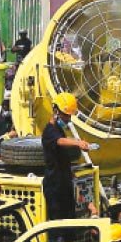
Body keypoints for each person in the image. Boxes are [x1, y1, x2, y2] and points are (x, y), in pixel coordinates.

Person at [42, 92, 90, 222]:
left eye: (69, 116)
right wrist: (78, 142)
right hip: (54, 186)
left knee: (69, 222)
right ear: (56, 110)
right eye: (65, 115)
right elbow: (59, 141)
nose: (68, 119)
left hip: (64, 184)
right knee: (58, 226)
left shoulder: (59, 129)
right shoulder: (49, 131)